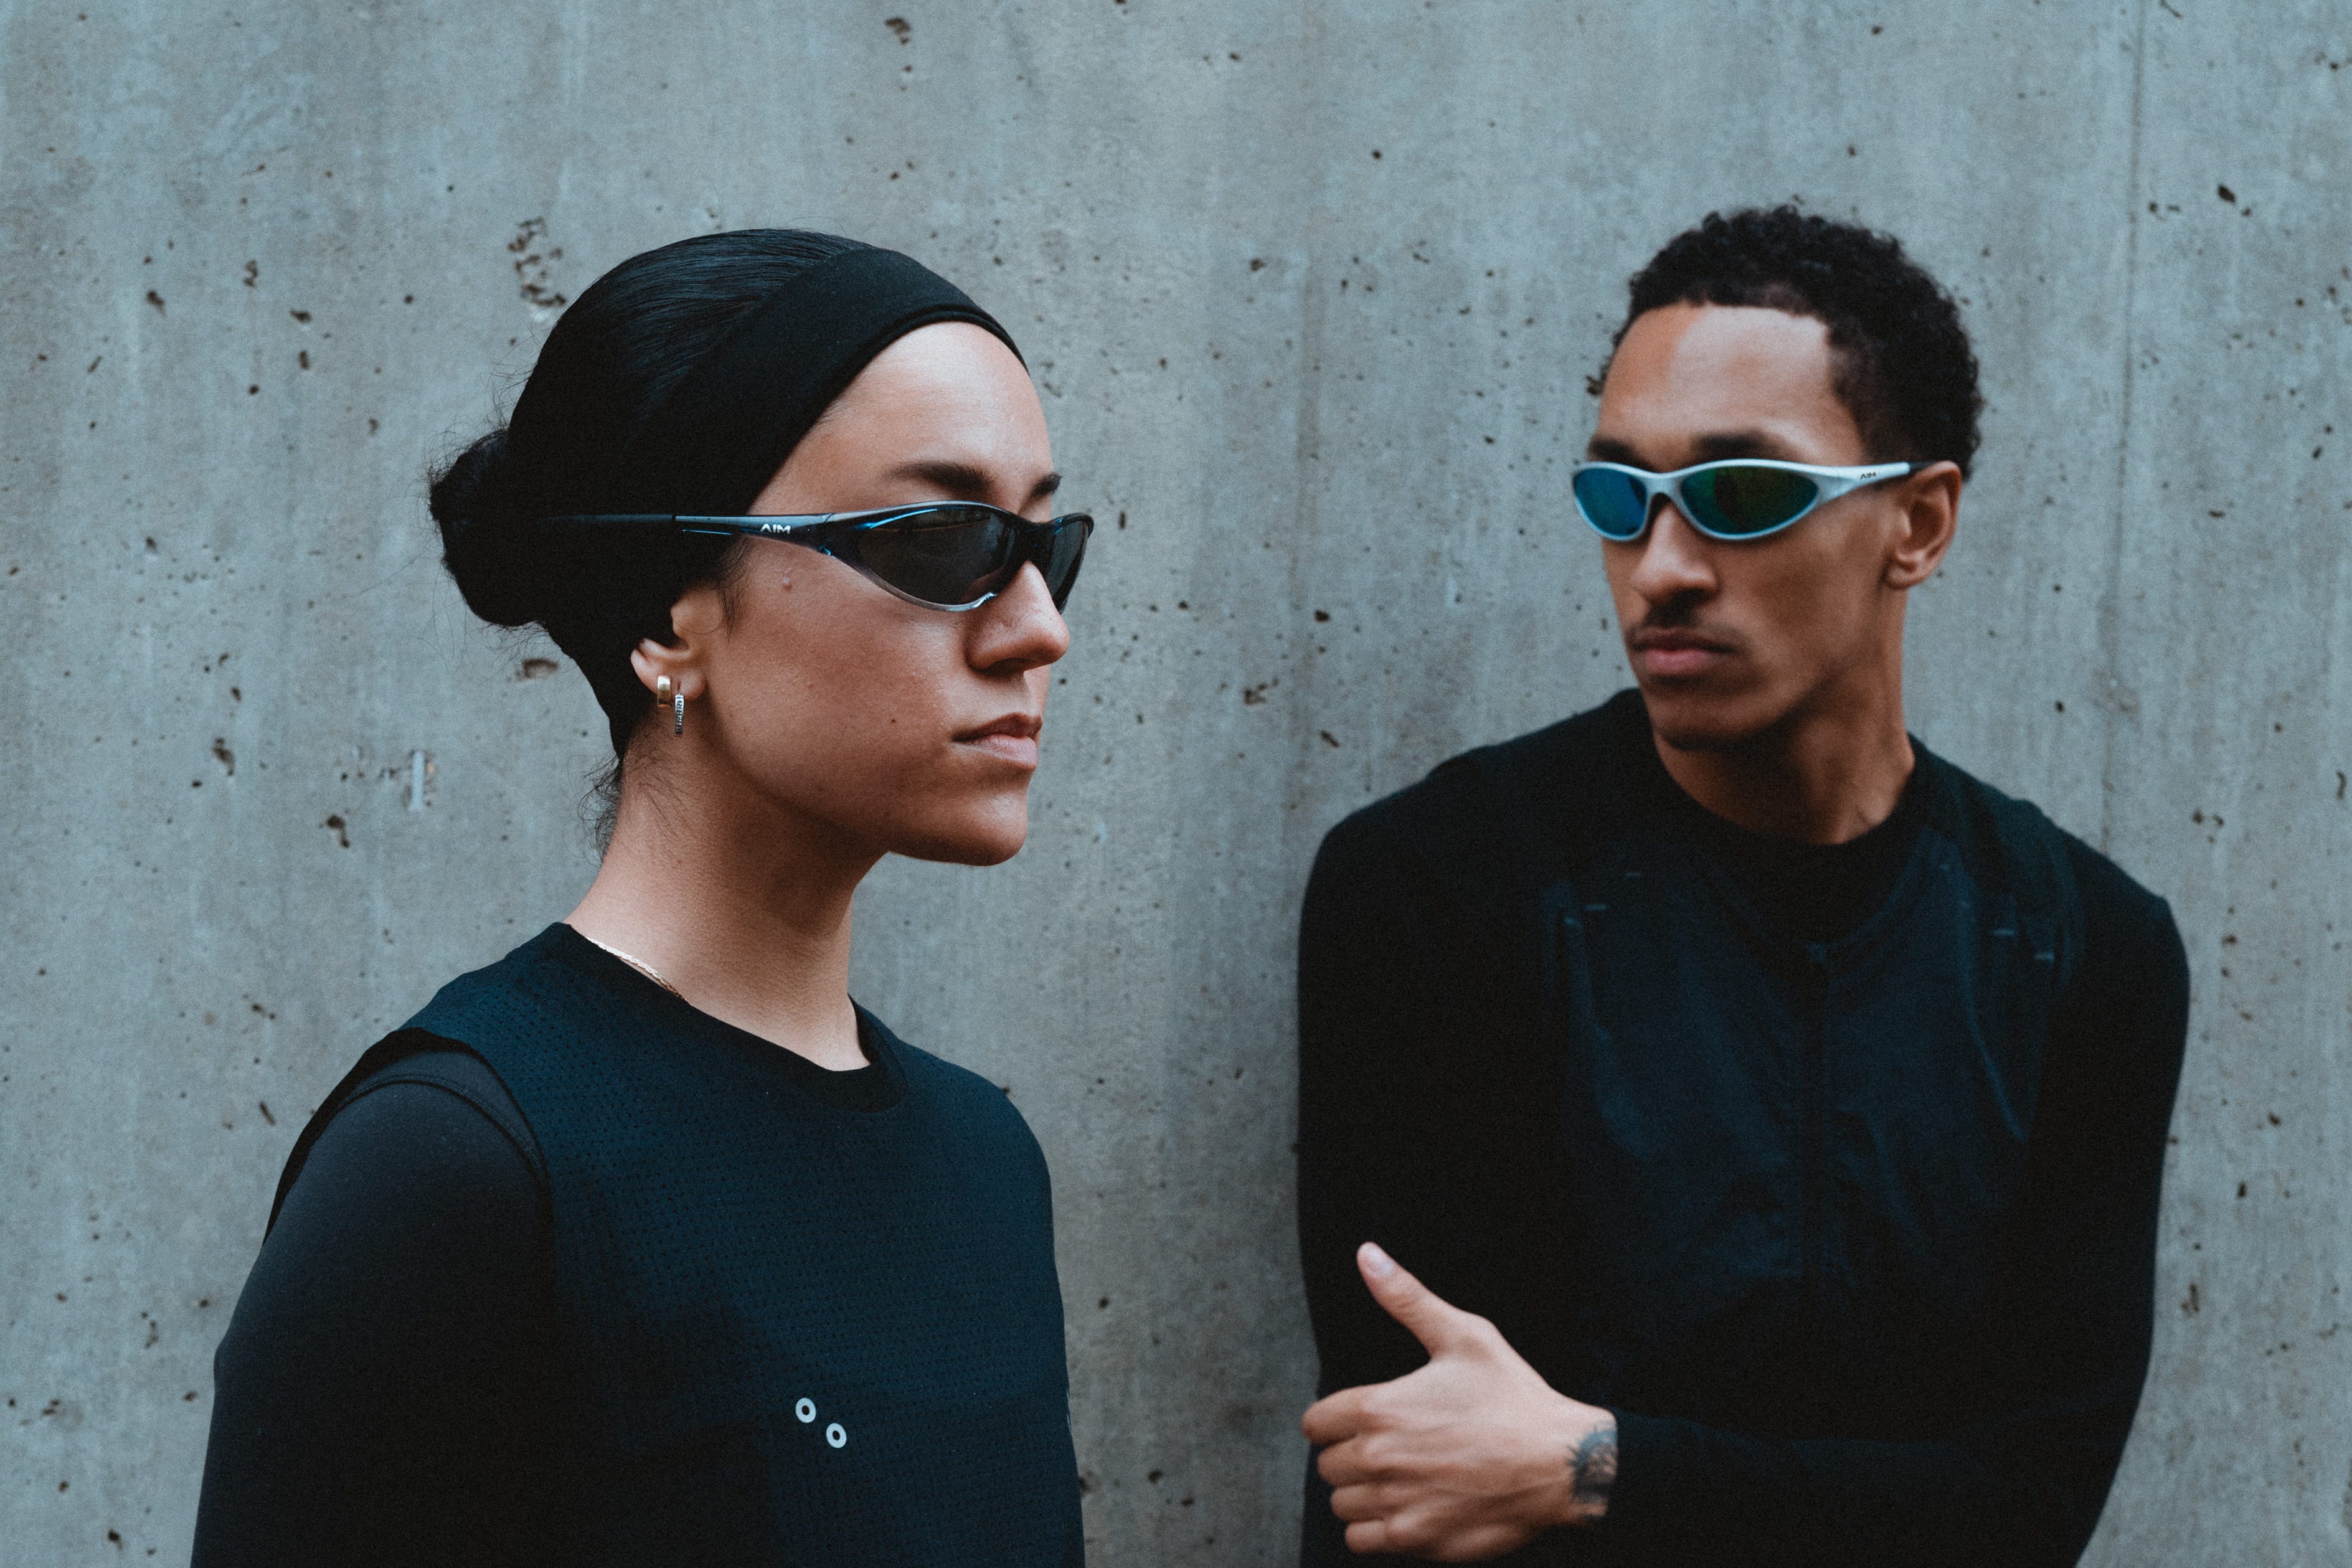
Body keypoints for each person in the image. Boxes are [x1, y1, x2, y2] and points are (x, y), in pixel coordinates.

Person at [1294, 207, 2188, 1566]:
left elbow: (2024, 1509)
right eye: (1619, 497)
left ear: (1917, 521)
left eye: (1741, 494)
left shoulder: (2078, 947)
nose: (1659, 567)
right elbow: (1420, 1477)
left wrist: (1600, 1465)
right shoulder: (1440, 886)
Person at [192, 230, 1095, 1566]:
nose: (1038, 627)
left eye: (1041, 543)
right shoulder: (461, 1168)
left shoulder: (983, 1159)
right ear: (673, 618)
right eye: (945, 536)